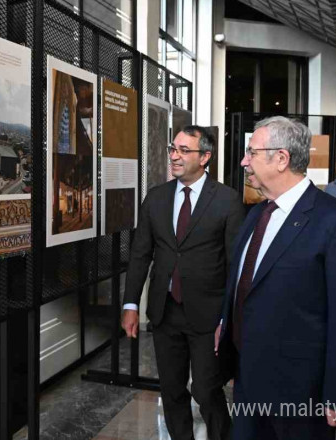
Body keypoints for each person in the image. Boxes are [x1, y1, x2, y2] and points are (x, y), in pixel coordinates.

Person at [215, 117, 336, 440]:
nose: (243, 161)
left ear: (282, 158)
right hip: (248, 378)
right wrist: (226, 324)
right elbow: (244, 282)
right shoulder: (257, 214)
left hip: (302, 391)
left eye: (251, 153)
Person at [121, 126, 244, 440]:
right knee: (172, 389)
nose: (174, 156)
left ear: (205, 157)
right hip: (165, 312)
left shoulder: (227, 200)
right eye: (172, 149)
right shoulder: (157, 198)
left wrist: (227, 319)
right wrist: (131, 303)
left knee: (205, 390)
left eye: (184, 150)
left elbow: (235, 265)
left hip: (208, 315)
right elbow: (140, 254)